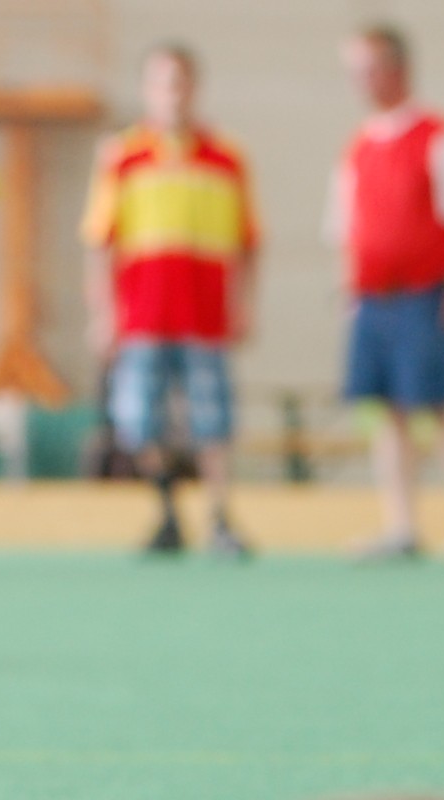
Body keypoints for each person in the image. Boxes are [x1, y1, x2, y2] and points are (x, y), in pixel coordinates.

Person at [328, 24, 444, 563]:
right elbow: (345, 227)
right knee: (388, 414)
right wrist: (350, 290)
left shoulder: (440, 135)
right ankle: (401, 525)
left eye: (370, 67)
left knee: (438, 407)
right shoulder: (357, 146)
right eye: (354, 70)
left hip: (425, 294)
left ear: (398, 68)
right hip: (371, 298)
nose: (361, 80)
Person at [81, 43, 258, 560]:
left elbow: (248, 241)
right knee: (140, 419)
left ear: (194, 87)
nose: (172, 94)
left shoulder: (226, 157)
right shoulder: (123, 156)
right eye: (161, 83)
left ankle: (220, 515)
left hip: (204, 314)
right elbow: (100, 240)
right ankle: (167, 512)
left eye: (180, 82)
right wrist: (104, 312)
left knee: (212, 417)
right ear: (146, 91)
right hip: (143, 315)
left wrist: (243, 302)